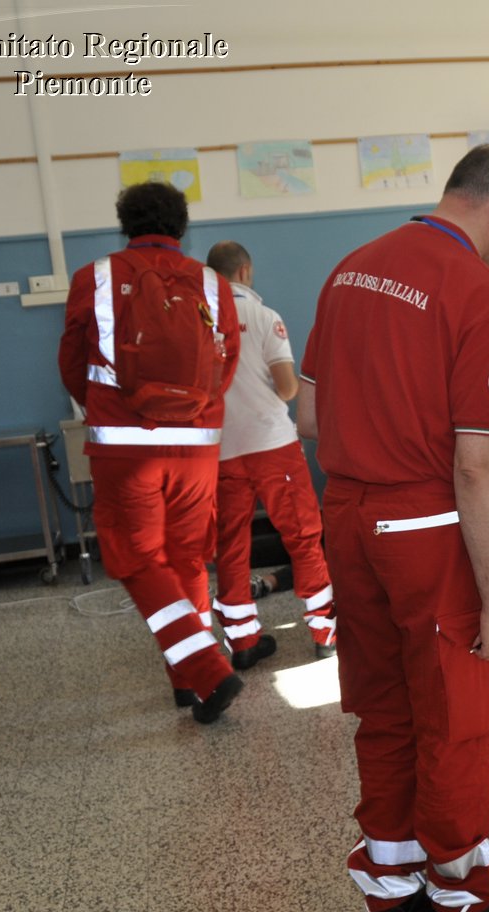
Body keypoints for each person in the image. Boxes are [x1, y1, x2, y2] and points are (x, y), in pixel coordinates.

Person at [297, 144, 489, 912]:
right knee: (459, 716)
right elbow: (478, 463)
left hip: (348, 515)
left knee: (386, 706)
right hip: (425, 527)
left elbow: (307, 416)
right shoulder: (481, 294)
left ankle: (391, 896)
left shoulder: (351, 269)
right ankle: (461, 904)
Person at [58, 181, 244, 723]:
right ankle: (188, 682)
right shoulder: (212, 282)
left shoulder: (93, 277)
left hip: (125, 446)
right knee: (186, 558)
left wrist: (102, 409)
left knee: (137, 557)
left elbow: (72, 361)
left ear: (125, 225)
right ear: (182, 229)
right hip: (197, 446)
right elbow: (224, 363)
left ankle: (208, 672)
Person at [204, 241, 336, 666]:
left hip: (221, 450)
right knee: (303, 538)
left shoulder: (197, 320)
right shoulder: (264, 317)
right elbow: (287, 387)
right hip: (272, 446)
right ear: (245, 271)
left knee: (231, 545)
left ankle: (242, 643)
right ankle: (324, 633)